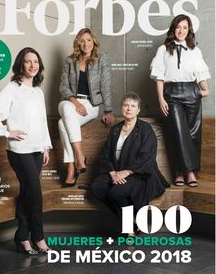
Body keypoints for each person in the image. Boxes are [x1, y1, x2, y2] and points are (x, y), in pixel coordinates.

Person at [0, 47, 52, 255]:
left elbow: (41, 122)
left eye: (36, 62)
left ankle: (22, 237)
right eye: (28, 61)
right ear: (21, 64)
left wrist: (45, 146)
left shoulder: (38, 92)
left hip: (37, 150)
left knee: (27, 192)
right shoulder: (13, 88)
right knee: (35, 192)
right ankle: (38, 237)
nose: (33, 65)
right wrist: (6, 132)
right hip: (19, 150)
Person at [90, 92, 169, 236]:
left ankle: (128, 228)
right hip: (116, 172)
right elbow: (105, 155)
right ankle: (130, 222)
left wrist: (126, 172)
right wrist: (113, 173)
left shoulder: (145, 129)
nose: (129, 108)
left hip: (140, 174)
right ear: (121, 108)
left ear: (138, 110)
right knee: (97, 187)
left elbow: (147, 157)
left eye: (133, 106)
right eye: (126, 105)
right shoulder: (115, 129)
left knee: (116, 192)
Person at [150, 14, 210, 187]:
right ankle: (185, 172)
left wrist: (204, 91)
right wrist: (161, 98)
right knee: (177, 131)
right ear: (173, 29)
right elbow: (160, 76)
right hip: (172, 93)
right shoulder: (163, 49)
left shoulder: (195, 50)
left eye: (185, 27)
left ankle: (185, 171)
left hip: (192, 91)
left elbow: (200, 74)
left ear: (189, 30)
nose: (181, 30)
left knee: (192, 133)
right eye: (178, 27)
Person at [58, 28, 114, 187]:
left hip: (91, 104)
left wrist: (108, 111)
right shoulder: (70, 61)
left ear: (93, 41)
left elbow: (105, 85)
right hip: (70, 102)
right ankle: (80, 156)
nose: (86, 43)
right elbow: (63, 86)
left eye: (89, 40)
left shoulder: (101, 59)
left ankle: (71, 167)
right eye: (82, 40)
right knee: (67, 108)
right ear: (77, 43)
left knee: (62, 124)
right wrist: (75, 102)